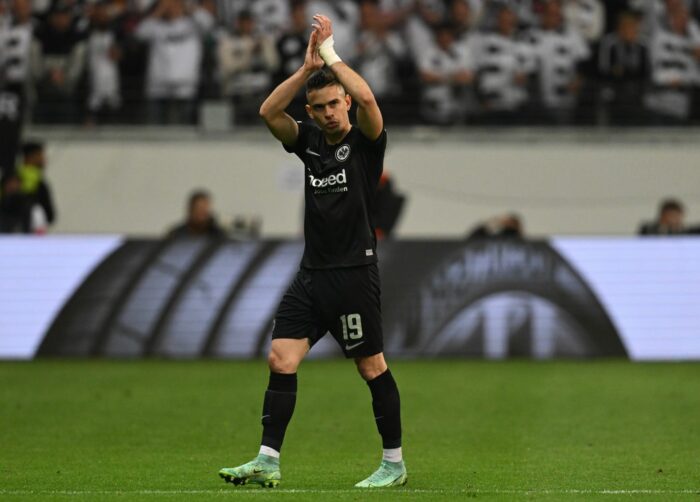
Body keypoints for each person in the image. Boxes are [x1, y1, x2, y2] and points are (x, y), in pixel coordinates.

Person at [218, 14, 407, 489]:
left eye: (334, 104)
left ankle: (394, 464)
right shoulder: (309, 143)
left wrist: (330, 55)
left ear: (346, 102)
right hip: (312, 275)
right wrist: (305, 71)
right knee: (281, 358)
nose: (328, 114)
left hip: (353, 274)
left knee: (371, 367)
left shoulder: (365, 143)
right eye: (319, 108)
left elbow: (369, 99)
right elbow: (268, 112)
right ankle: (267, 460)